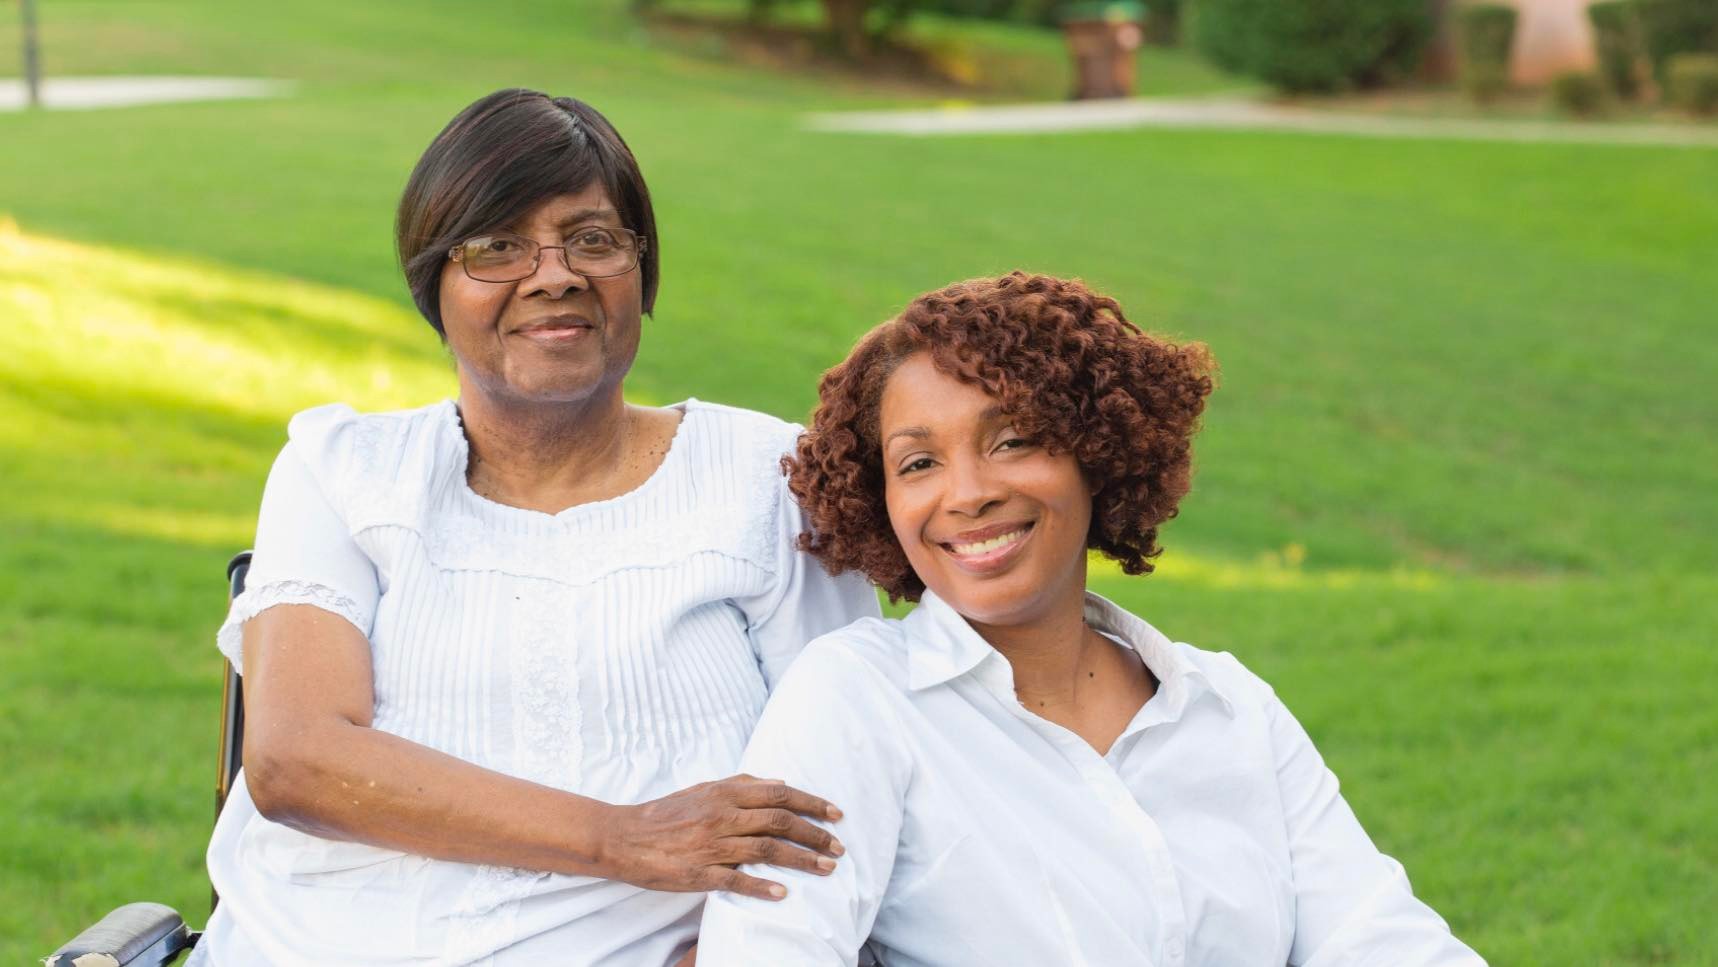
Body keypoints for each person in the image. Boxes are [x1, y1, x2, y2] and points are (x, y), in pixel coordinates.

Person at [189, 89, 877, 966]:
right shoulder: (345, 471)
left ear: (642, 270)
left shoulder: (768, 478)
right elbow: (296, 760)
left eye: (593, 239)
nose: (554, 273)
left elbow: (847, 785)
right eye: (498, 245)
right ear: (434, 283)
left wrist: (746, 949)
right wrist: (621, 838)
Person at [696, 272, 1485, 965]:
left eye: (1013, 440)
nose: (967, 492)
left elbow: (1380, 941)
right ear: (882, 499)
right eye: (919, 462)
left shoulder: (1231, 709)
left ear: (1095, 452)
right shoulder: (857, 700)